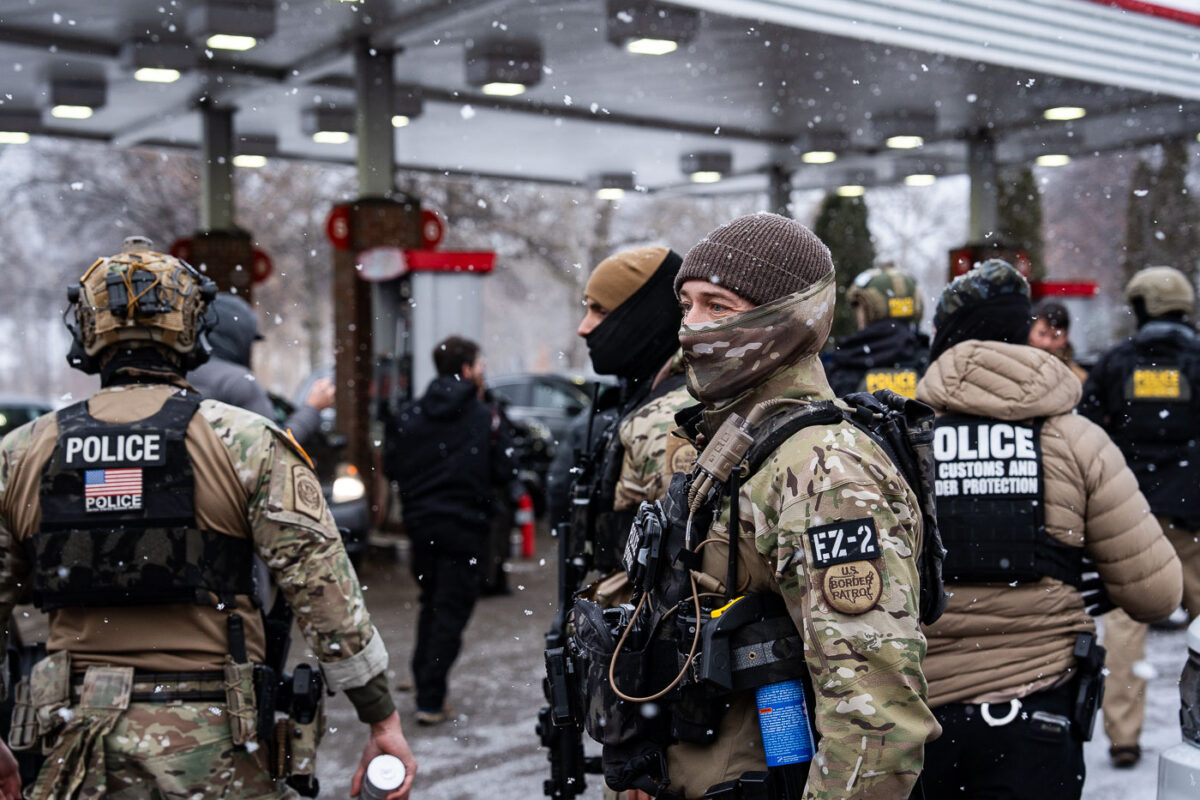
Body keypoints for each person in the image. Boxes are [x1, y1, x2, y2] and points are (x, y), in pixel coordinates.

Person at [0, 237, 414, 799]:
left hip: (73, 747)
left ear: (87, 330)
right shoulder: (247, 443)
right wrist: (380, 716)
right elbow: (325, 595)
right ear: (193, 329)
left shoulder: (22, 454)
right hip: (219, 751)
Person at [599, 212, 938, 800]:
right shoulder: (734, 441)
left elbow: (875, 719)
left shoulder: (823, 469)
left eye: (719, 307)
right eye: (687, 307)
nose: (692, 328)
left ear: (786, 318)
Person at [915, 259, 1182, 797]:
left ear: (944, 341)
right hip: (1037, 722)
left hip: (917, 726)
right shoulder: (1076, 440)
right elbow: (1158, 595)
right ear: (1022, 333)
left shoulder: (894, 443)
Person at [1079, 265, 1200, 769]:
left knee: (1125, 627)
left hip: (1129, 515)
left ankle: (1123, 737)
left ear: (1142, 307)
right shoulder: (1197, 361)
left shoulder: (1115, 362)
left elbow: (1085, 427)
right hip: (1194, 513)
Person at [383, 335, 517, 726]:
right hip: (466, 527)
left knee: (431, 600)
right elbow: (505, 469)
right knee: (451, 610)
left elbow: (391, 465)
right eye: (480, 365)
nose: (483, 371)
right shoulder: (484, 417)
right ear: (467, 370)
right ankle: (431, 697)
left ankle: (423, 673)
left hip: (420, 525)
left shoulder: (410, 414)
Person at [187, 292, 335, 445]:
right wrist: (312, 408)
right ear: (237, 337)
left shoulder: (179, 371)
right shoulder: (237, 382)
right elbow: (274, 449)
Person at [825, 264, 929, 398]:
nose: (857, 313)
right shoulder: (933, 364)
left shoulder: (842, 363)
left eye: (859, 305)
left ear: (870, 308)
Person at [1028, 298, 1089, 382]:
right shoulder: (1013, 368)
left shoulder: (1077, 380)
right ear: (1030, 331)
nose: (1046, 343)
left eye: (1054, 337)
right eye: (1042, 334)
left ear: (1065, 339)